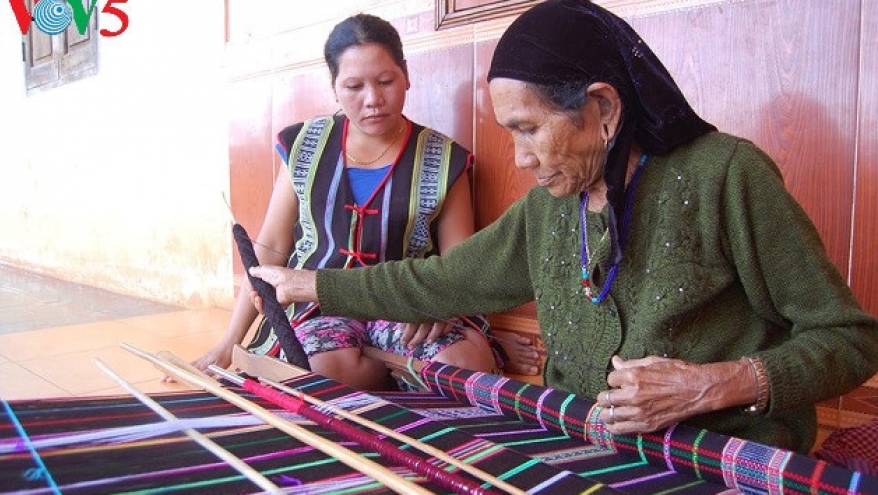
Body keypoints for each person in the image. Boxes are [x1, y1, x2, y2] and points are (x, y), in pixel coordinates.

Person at [247, 0, 878, 453]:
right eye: (509, 133)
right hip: (578, 440)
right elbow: (441, 282)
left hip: (715, 456)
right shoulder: (553, 206)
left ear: (602, 108)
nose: (519, 159)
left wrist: (712, 385)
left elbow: (851, 339)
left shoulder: (726, 176)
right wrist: (311, 287)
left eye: (529, 128)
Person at [186, 13, 540, 390]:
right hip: (321, 305)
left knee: (462, 366)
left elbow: (460, 263)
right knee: (320, 373)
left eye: (385, 81)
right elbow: (270, 248)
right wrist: (230, 341)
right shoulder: (305, 146)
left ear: (406, 74)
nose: (373, 100)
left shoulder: (444, 159)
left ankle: (430, 354)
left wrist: (442, 305)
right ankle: (393, 366)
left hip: (407, 304)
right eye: (354, 86)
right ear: (334, 87)